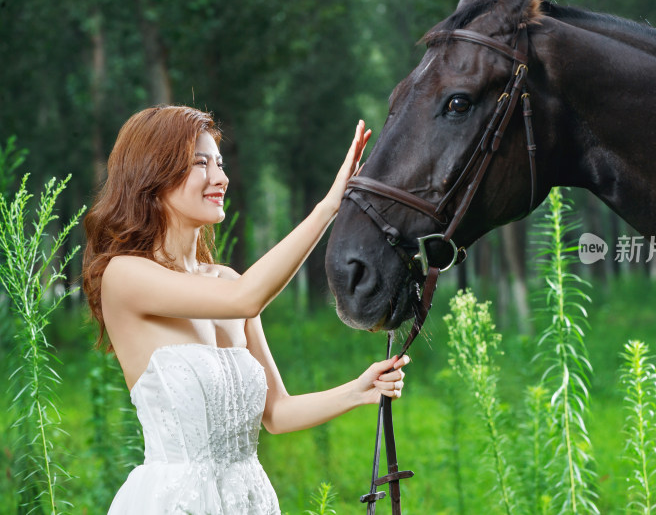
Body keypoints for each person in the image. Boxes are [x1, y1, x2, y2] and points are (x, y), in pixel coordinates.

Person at [82, 105, 410, 514]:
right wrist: (329, 206)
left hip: (248, 499)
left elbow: (275, 412)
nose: (221, 178)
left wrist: (358, 390)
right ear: (153, 174)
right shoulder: (125, 275)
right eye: (200, 164)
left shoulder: (228, 280)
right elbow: (247, 300)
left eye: (219, 164)